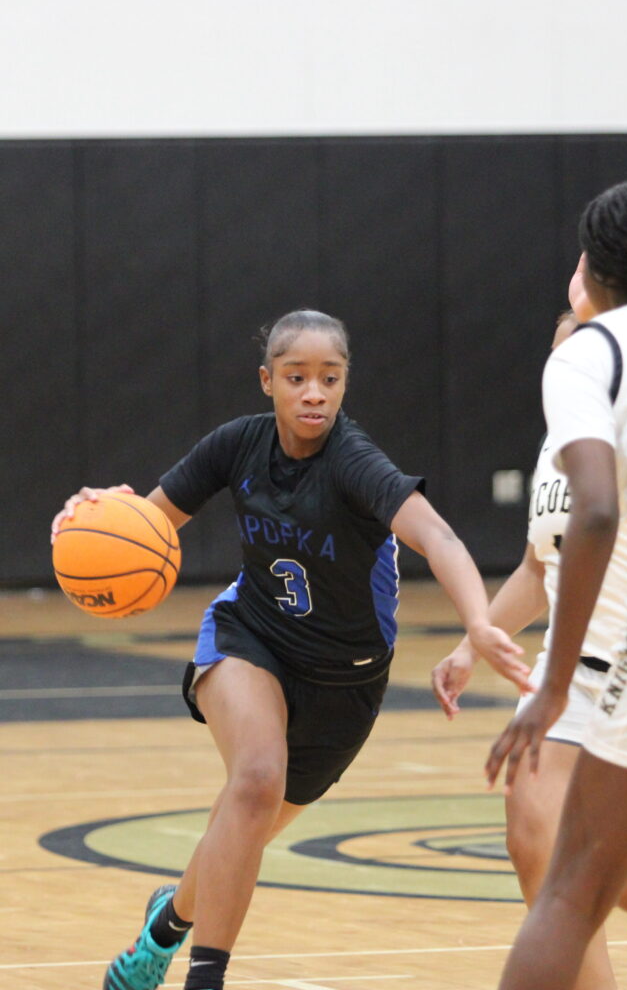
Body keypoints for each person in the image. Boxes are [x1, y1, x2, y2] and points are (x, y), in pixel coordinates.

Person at [52, 309, 532, 990]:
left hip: (347, 682)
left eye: (328, 378)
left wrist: (478, 623)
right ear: (267, 381)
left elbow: (442, 540)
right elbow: (148, 521)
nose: (313, 393)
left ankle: (163, 927)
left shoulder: (354, 462)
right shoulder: (236, 445)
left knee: (240, 835)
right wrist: (93, 515)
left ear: (343, 384)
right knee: (254, 781)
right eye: (296, 377)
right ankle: (204, 981)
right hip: (252, 636)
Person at [432, 300, 627, 990]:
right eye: (561, 347)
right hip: (570, 676)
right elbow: (538, 570)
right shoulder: (555, 448)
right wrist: (469, 646)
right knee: (535, 841)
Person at [483, 178, 627, 990]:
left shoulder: (587, 354)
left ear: (592, 269)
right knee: (622, 884)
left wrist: (550, 685)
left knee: (570, 895)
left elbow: (594, 512)